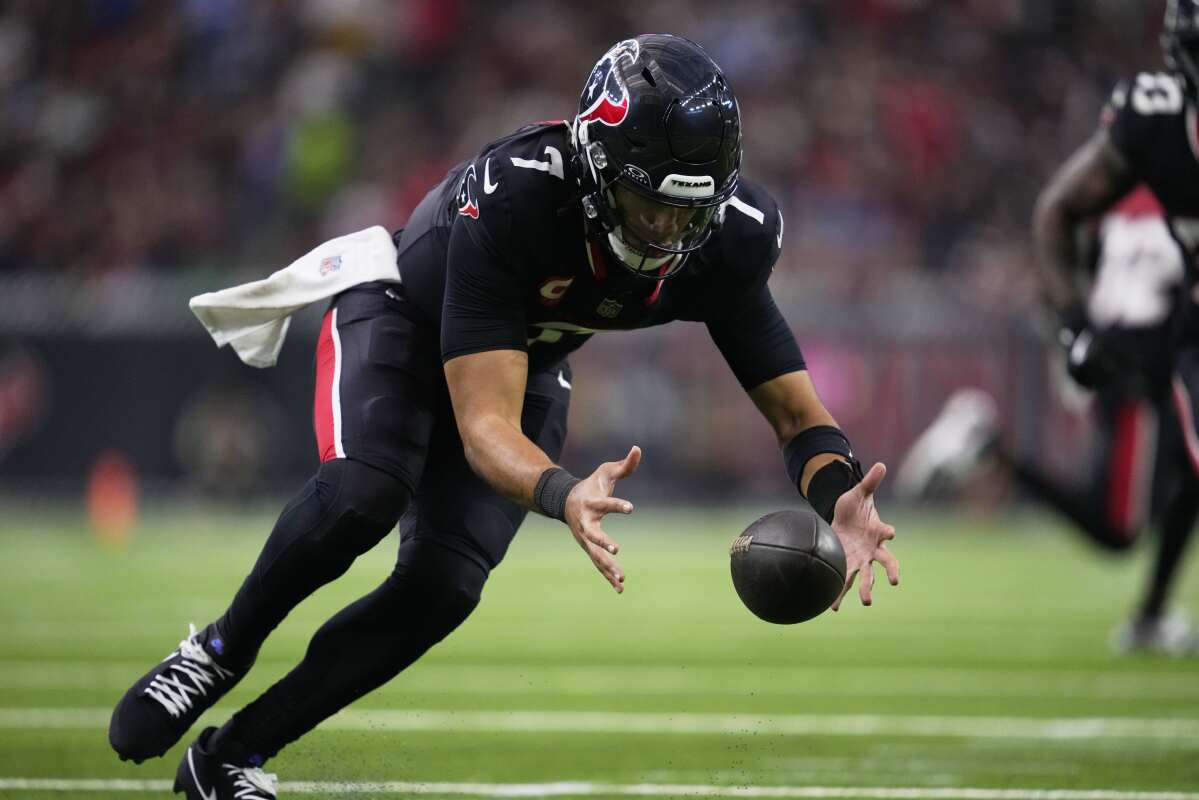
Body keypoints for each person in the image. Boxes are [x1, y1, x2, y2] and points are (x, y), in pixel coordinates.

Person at [107, 35, 900, 799]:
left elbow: (798, 417)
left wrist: (837, 495)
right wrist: (561, 492)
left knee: (445, 585)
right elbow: (484, 427)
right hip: (403, 318)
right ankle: (219, 649)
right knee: (364, 492)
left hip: (526, 361)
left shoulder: (723, 242)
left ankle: (231, 758)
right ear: (596, 169)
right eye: (645, 202)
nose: (665, 232)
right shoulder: (521, 194)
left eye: (686, 214)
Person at [898, 0, 1199, 655]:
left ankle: (1150, 614)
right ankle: (991, 448)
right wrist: (1080, 334)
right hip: (1141, 355)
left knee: (1186, 480)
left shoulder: (1135, 177)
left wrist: (1070, 330)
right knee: (1120, 527)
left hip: (1132, 342)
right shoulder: (1156, 155)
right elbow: (1061, 220)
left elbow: (1075, 237)